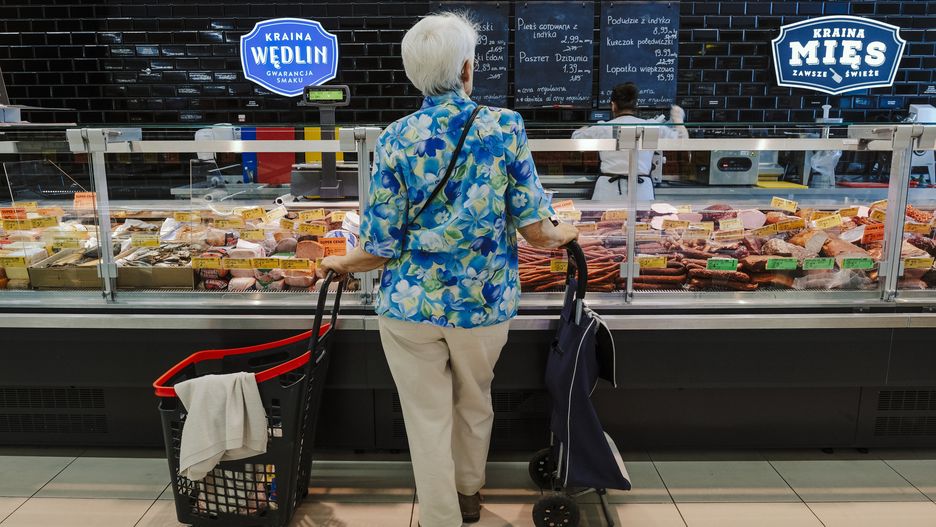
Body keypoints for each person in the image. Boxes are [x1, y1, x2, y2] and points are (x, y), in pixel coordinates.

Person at [317, 12, 579, 527]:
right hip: (482, 305)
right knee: (475, 401)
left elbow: (378, 245)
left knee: (425, 416)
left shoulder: (394, 138)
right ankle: (469, 495)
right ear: (466, 68)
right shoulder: (505, 126)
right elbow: (537, 232)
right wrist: (564, 232)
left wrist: (340, 261)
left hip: (409, 307)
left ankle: (440, 516)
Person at [572, 82, 688, 201]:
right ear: (635, 105)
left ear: (613, 105)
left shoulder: (604, 128)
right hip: (641, 190)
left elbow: (576, 140)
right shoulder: (650, 127)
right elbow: (682, 141)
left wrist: (587, 127)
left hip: (607, 190)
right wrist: (678, 117)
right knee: (641, 220)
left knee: (604, 219)